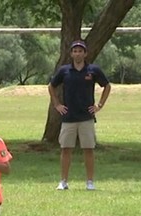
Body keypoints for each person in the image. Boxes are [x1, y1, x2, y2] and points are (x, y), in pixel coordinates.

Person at [48, 39, 111, 191]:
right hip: (69, 117)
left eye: (80, 51)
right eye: (75, 51)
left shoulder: (93, 70)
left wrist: (99, 105)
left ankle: (89, 182)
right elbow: (51, 86)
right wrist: (57, 104)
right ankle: (63, 181)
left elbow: (107, 86)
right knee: (66, 149)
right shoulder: (64, 71)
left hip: (86, 117)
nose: (77, 54)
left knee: (88, 149)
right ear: (71, 54)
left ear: (85, 53)